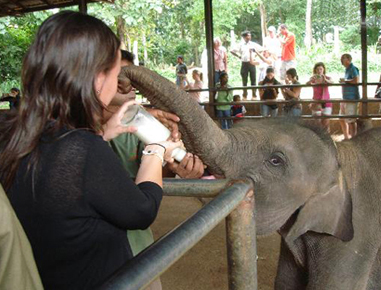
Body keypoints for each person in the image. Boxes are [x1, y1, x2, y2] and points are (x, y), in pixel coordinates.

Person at [0, 11, 183, 290]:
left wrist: (104, 131)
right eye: (114, 73)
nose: (118, 83)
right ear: (98, 80)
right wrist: (156, 150)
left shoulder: (10, 132)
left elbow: (57, 164)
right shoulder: (84, 150)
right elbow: (141, 210)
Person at [231, 31, 262, 99]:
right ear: (244, 37)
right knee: (244, 80)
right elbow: (232, 51)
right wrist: (239, 56)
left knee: (253, 79)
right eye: (248, 36)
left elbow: (261, 49)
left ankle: (254, 95)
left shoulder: (253, 44)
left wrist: (255, 55)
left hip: (251, 63)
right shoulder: (240, 45)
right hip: (244, 63)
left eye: (250, 35)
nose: (249, 37)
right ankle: (244, 95)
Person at [306, 62, 334, 132]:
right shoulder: (313, 78)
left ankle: (327, 139)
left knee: (326, 123)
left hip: (326, 102)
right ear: (315, 70)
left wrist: (325, 80)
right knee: (317, 123)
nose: (319, 71)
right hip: (316, 102)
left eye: (321, 69)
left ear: (323, 70)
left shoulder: (327, 77)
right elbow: (307, 83)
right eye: (317, 69)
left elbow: (332, 82)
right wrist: (310, 81)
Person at [339, 53, 360, 140]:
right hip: (346, 97)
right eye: (342, 59)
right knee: (342, 117)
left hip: (352, 97)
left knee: (351, 120)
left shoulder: (353, 68)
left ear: (348, 59)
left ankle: (353, 138)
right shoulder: (348, 69)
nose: (343, 61)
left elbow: (356, 80)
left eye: (344, 59)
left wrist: (346, 81)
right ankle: (347, 136)